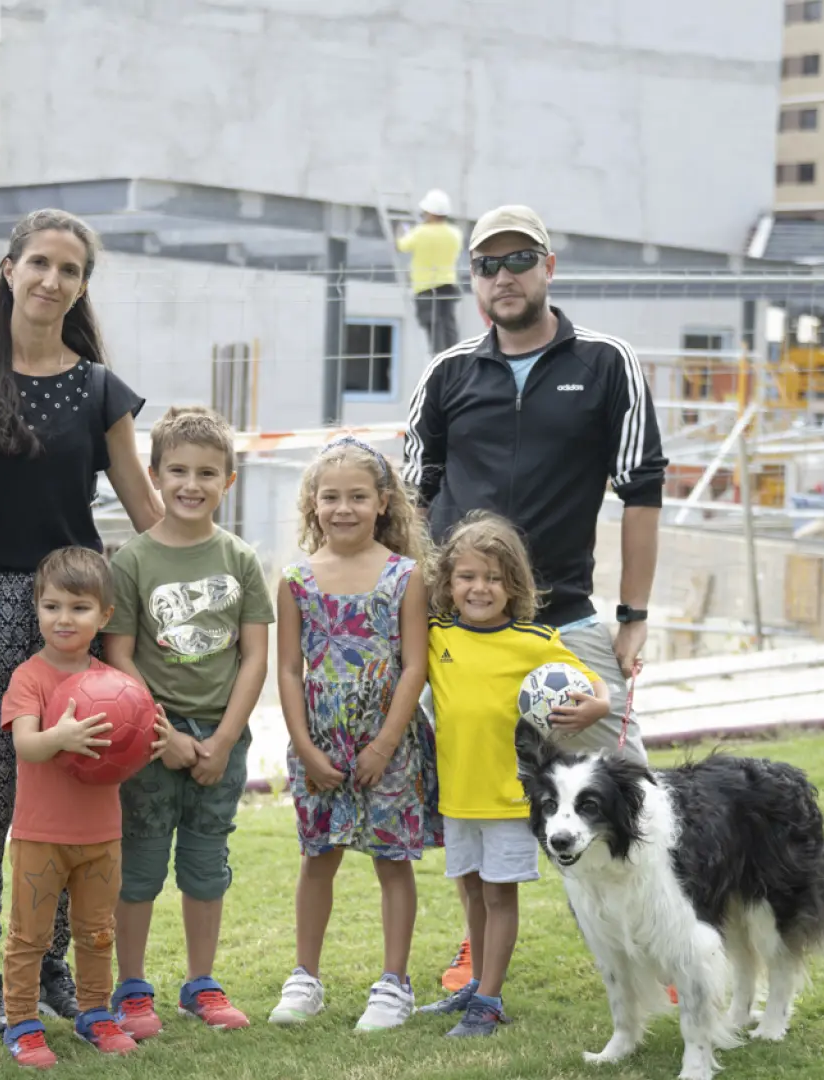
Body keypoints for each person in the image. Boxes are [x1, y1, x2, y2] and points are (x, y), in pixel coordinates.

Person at [402, 204, 666, 992]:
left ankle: (662, 943)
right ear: (473, 281)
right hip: (463, 637)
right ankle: (477, 952)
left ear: (549, 265)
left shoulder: (607, 361)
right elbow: (412, 507)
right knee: (473, 802)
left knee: (632, 795)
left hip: (567, 627)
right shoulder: (447, 374)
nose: (503, 276)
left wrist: (634, 618)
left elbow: (643, 492)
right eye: (487, 265)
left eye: (519, 259)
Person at [0, 208, 163, 1036]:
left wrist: (199, 577)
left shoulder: (99, 390)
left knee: (74, 796)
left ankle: (54, 966)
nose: (52, 281)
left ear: (82, 285)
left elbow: (144, 509)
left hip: (75, 608)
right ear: (10, 269)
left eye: (70, 270)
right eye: (40, 264)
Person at [101, 405, 272, 1036]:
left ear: (228, 481)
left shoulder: (241, 560)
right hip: (151, 739)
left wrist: (222, 740)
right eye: (177, 471)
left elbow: (254, 655)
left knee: (206, 862)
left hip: (220, 736)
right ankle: (133, 987)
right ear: (154, 476)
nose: (191, 484)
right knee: (141, 862)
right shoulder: (132, 561)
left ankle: (201, 982)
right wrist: (163, 735)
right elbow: (120, 655)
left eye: (207, 472)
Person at [413, 512, 610, 1036]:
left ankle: (491, 1000)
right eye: (468, 577)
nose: (481, 588)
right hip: (457, 796)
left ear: (514, 585)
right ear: (448, 584)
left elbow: (594, 686)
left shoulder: (533, 642)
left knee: (500, 896)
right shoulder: (435, 636)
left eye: (495, 578)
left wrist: (597, 705)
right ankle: (477, 983)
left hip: (509, 800)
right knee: (471, 892)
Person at [267, 436, 433, 1032]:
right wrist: (306, 747)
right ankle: (304, 978)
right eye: (331, 496)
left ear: (382, 502)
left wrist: (386, 743)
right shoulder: (296, 579)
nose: (344, 508)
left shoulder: (405, 576)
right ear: (313, 503)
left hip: (387, 744)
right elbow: (287, 669)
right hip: (321, 743)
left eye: (358, 496)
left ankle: (394, 985)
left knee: (392, 861)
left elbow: (415, 664)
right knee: (318, 857)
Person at [0, 547, 172, 1068]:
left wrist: (151, 742)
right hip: (39, 833)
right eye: (51, 606)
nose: (64, 619)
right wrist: (61, 735)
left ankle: (95, 1012)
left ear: (104, 616)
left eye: (78, 607)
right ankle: (23, 1023)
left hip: (101, 835)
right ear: (37, 609)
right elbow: (26, 746)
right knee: (30, 936)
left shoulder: (117, 685)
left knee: (97, 932)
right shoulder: (29, 676)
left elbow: (127, 753)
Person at [396, 189, 464, 356]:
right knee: (448, 324)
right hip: (448, 284)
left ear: (431, 213)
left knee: (433, 325)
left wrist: (401, 232)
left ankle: (439, 359)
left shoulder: (420, 232)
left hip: (425, 286)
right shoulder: (455, 234)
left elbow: (402, 246)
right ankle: (453, 357)